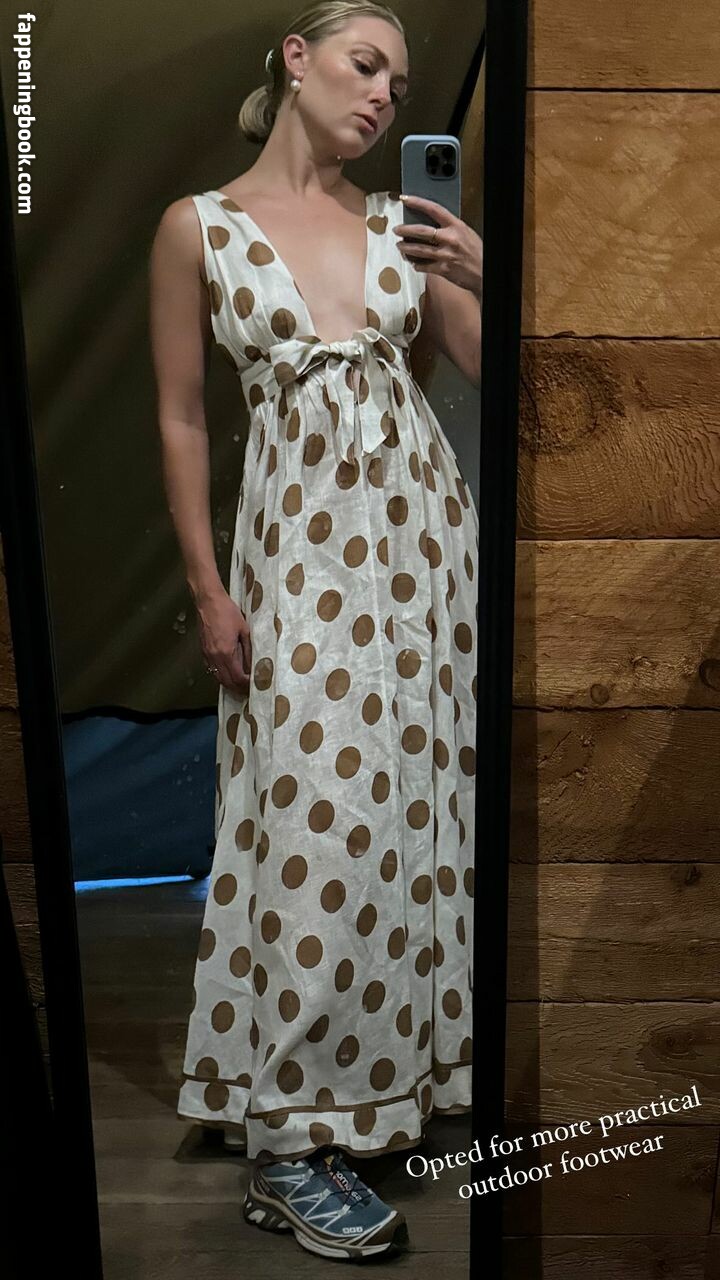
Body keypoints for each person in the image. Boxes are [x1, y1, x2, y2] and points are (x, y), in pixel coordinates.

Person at [149, 0, 483, 1262]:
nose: (385, 94)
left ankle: (387, 1089)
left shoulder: (403, 223)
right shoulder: (198, 227)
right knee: (311, 826)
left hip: (425, 562)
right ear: (297, 61)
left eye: (399, 80)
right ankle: (288, 1139)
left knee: (413, 819)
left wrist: (477, 267)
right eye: (365, 64)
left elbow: (481, 363)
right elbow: (182, 416)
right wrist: (207, 589)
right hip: (297, 566)